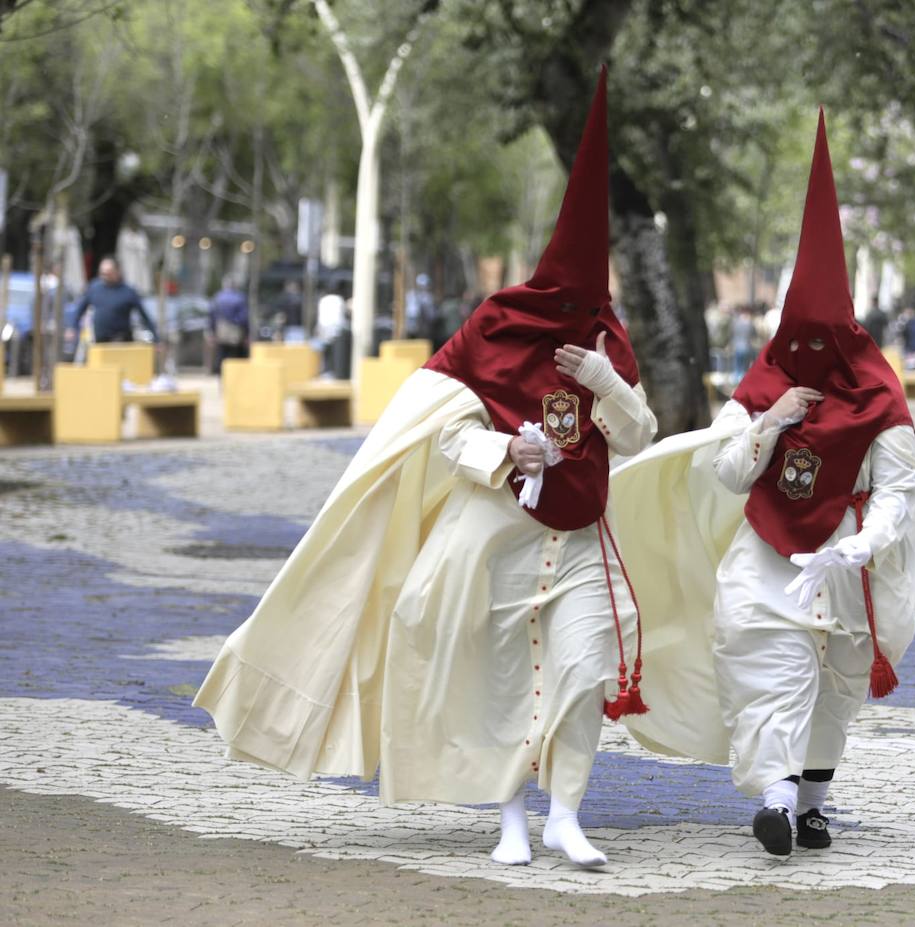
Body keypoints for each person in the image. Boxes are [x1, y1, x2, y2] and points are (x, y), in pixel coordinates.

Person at [194, 69, 657, 869]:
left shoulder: (609, 341)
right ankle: (511, 816)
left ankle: (566, 814)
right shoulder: (494, 325)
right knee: (503, 677)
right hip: (497, 533)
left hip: (581, 537)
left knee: (584, 672)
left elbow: (639, 436)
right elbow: (441, 435)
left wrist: (605, 381)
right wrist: (502, 451)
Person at [607, 110, 915, 858]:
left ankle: (813, 800)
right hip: (765, 550)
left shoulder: (882, 399)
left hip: (847, 562)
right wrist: (771, 420)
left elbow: (899, 490)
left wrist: (865, 545)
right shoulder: (762, 385)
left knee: (837, 684)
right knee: (762, 658)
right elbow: (727, 469)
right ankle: (777, 799)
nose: (808, 353)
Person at [68, 257, 158, 345]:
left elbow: (144, 316)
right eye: (102, 273)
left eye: (108, 273)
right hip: (100, 340)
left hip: (121, 340)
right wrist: (72, 328)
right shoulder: (94, 288)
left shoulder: (128, 291)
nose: (105, 276)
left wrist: (157, 339)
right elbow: (80, 309)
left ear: (117, 272)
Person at [207, 277, 251, 374]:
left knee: (222, 353)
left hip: (221, 330)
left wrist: (212, 332)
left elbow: (212, 316)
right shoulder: (240, 298)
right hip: (236, 331)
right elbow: (244, 318)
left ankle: (221, 374)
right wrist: (247, 333)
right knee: (237, 355)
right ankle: (236, 375)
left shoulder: (217, 297)